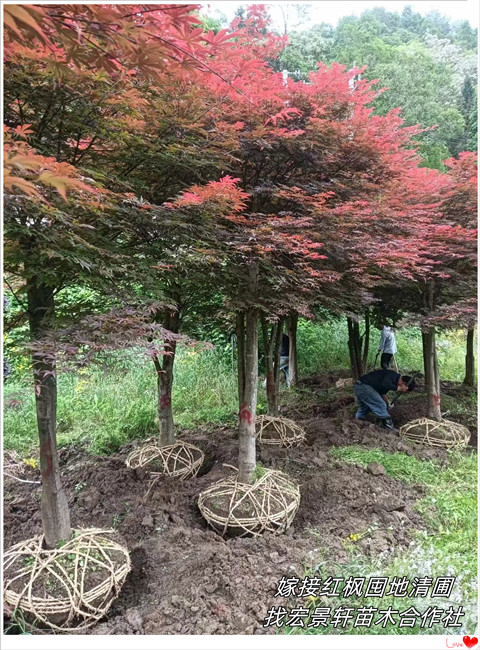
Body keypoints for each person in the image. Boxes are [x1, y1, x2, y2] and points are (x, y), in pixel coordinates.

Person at [354, 369, 415, 433]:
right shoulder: (392, 375)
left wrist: (388, 403)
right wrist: (399, 388)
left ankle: (357, 422)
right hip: (364, 386)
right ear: (403, 384)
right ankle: (388, 427)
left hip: (360, 386)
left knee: (365, 407)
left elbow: (382, 393)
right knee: (380, 404)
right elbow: (385, 384)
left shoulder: (392, 379)